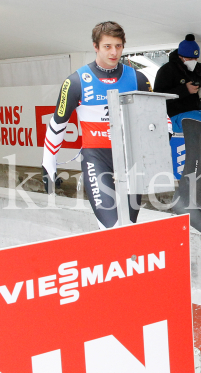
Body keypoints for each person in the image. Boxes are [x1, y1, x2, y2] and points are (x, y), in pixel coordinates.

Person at [42, 21, 153, 229]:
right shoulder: (76, 81)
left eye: (118, 46)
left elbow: (155, 117)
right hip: (96, 157)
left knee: (128, 225)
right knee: (111, 226)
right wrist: (49, 165)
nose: (114, 52)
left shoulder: (138, 79)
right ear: (96, 46)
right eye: (107, 46)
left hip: (130, 159)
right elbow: (57, 124)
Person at [154, 34, 201, 133]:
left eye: (195, 59)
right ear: (180, 56)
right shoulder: (167, 70)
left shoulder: (199, 68)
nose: (193, 61)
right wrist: (185, 90)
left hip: (199, 111)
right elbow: (158, 97)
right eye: (189, 59)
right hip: (176, 115)